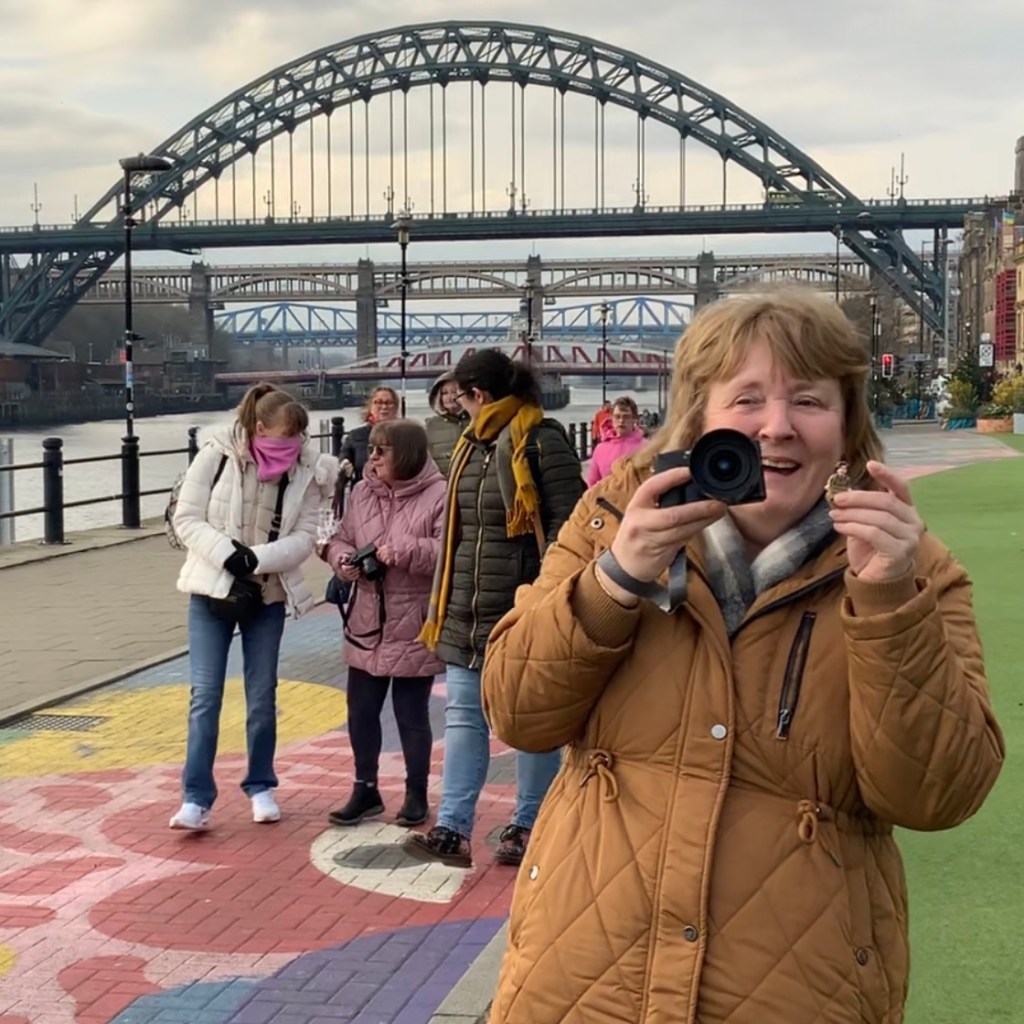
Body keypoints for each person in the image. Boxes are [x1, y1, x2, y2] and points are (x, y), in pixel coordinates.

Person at [480, 290, 1004, 1023]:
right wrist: (613, 581)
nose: (776, 426)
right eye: (747, 399)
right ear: (699, 418)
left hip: (798, 996)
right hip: (580, 985)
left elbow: (937, 795)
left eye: (809, 401)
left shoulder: (916, 571)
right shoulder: (610, 523)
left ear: (847, 427)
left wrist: (889, 604)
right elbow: (517, 713)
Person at [403, 349, 585, 869]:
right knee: (463, 717)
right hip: (465, 606)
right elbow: (459, 532)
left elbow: (571, 528)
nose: (456, 406)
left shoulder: (542, 440)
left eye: (460, 397)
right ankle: (452, 830)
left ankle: (530, 825)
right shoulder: (469, 445)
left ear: (478, 394)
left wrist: (544, 599)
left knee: (529, 719)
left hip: (524, 608)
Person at [170, 383, 338, 831]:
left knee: (262, 695)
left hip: (268, 593)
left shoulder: (308, 469)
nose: (293, 445)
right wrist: (229, 555)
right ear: (259, 428)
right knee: (205, 696)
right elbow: (187, 517)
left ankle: (261, 785)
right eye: (286, 436)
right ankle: (195, 798)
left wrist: (255, 559)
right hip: (212, 589)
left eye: (299, 437)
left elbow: (305, 537)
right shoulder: (216, 454)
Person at [322, 419, 446, 828]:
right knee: (360, 710)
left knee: (411, 714)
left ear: (406, 454)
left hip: (413, 620)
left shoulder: (440, 494)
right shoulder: (362, 491)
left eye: (381, 450)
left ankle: (416, 793)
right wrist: (342, 561)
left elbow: (447, 551)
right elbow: (341, 537)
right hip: (367, 618)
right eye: (371, 448)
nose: (371, 457)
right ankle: (365, 789)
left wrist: (404, 551)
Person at [339, 386, 400, 485]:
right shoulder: (356, 436)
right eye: (378, 402)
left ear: (396, 408)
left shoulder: (404, 435)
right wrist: (344, 465)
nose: (384, 407)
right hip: (363, 489)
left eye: (389, 403)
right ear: (370, 407)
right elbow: (344, 459)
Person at [585, 396, 645, 487]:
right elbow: (592, 484)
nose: (621, 421)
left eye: (626, 417)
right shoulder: (600, 449)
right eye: (617, 417)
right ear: (612, 419)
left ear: (634, 419)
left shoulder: (647, 447)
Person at [425, 370, 470, 476]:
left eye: (455, 392)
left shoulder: (476, 421)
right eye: (445, 393)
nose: (450, 398)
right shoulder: (430, 426)